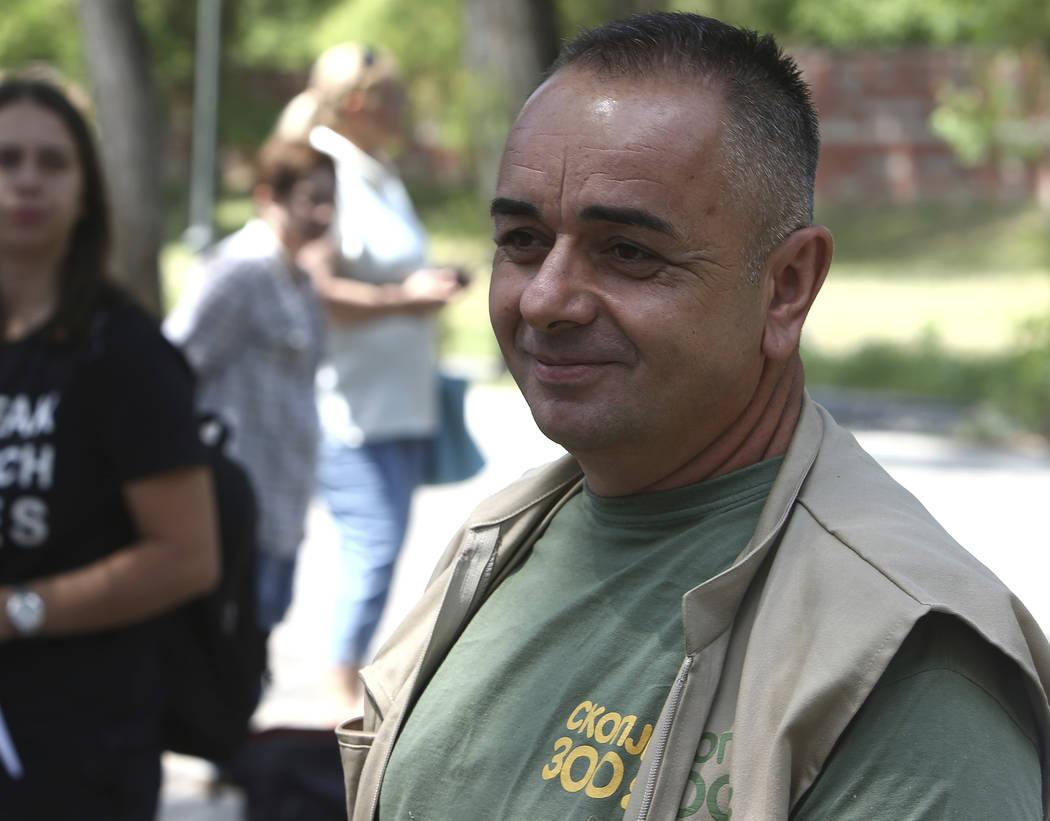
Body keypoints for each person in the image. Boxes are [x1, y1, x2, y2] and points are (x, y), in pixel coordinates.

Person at [335, 13, 1050, 821]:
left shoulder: (903, 666)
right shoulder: (501, 540)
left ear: (787, 286)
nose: (545, 299)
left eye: (628, 252)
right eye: (524, 239)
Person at [0, 76, 219, 820]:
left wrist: (19, 609)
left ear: (86, 190)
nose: (27, 179)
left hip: (80, 737)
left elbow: (187, 554)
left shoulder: (121, 350)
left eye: (52, 162)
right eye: (7, 159)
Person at [294, 42, 467, 710]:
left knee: (384, 546)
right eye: (396, 97)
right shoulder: (323, 170)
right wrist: (407, 299)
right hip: (350, 404)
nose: (406, 110)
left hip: (395, 399)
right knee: (373, 545)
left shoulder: (374, 169)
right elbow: (316, 290)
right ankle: (338, 697)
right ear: (360, 103)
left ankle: (347, 680)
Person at [165, 138, 333, 634]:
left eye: (330, 199)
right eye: (310, 198)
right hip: (234, 512)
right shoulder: (239, 269)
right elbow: (170, 367)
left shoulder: (299, 278)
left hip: (283, 508)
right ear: (269, 197)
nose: (323, 213)